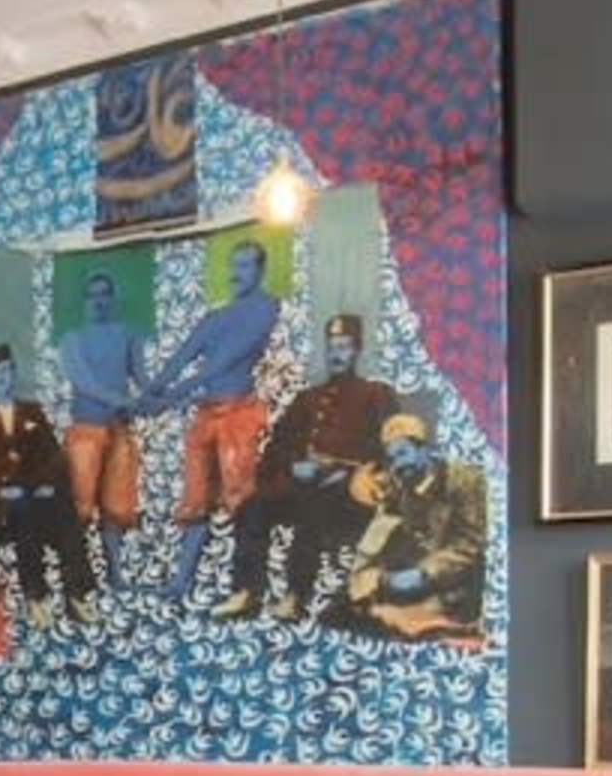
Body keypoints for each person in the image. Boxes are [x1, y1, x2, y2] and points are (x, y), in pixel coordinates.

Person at [214, 312, 397, 622]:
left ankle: (295, 596)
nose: (337, 354)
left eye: (345, 346)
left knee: (315, 505)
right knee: (253, 507)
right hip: (301, 485)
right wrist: (294, 468)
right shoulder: (307, 399)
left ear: (358, 350)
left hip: (349, 494)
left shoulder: (375, 395)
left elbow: (390, 447)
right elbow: (277, 447)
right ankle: (247, 593)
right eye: (332, 346)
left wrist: (345, 473)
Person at [145, 242, 283, 601]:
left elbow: (220, 364)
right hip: (207, 416)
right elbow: (179, 359)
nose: (238, 273)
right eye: (235, 265)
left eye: (246, 266)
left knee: (243, 500)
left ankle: (247, 588)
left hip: (239, 414)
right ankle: (180, 583)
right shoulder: (215, 317)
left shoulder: (266, 307)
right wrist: (147, 396)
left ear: (260, 270)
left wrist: (175, 394)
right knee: (196, 500)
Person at [0, 343, 98, 626]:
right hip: (1, 502)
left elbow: (53, 457)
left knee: (65, 511)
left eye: (8, 370)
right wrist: (2, 488)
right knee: (22, 509)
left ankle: (76, 595)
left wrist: (41, 484)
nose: (3, 377)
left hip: (35, 494)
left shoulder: (32, 412)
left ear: (14, 374)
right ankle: (36, 597)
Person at [324, 412, 487, 641]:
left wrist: (424, 574)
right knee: (338, 616)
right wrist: (371, 575)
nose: (398, 464)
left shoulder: (465, 481)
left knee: (394, 627)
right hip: (417, 582)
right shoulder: (405, 488)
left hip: (460, 586)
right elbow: (394, 534)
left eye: (402, 453)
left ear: (424, 450)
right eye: (391, 459)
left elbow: (470, 545)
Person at [57, 267, 148, 585]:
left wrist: (163, 397)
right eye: (92, 295)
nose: (98, 301)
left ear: (113, 298)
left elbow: (142, 379)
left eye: (104, 294)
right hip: (86, 431)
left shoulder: (128, 334)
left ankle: (115, 573)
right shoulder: (72, 339)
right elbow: (83, 381)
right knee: (80, 507)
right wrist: (119, 400)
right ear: (85, 301)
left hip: (119, 432)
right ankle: (76, 576)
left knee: (116, 506)